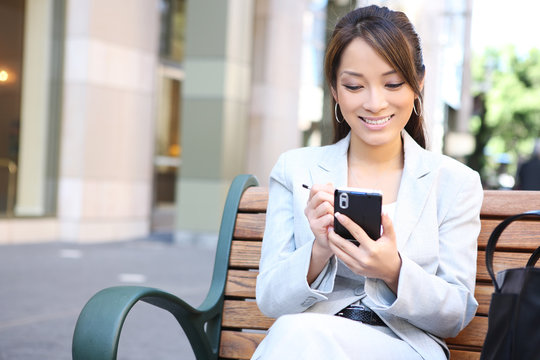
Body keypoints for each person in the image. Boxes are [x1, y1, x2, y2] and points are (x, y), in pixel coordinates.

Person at [252, 5, 483, 360]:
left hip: (402, 346)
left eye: (392, 84)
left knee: (293, 336)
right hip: (306, 338)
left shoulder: (454, 182)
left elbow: (455, 314)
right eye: (355, 86)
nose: (375, 103)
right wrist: (320, 250)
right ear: (334, 88)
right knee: (295, 333)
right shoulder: (295, 170)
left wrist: (392, 270)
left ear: (418, 83)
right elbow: (270, 299)